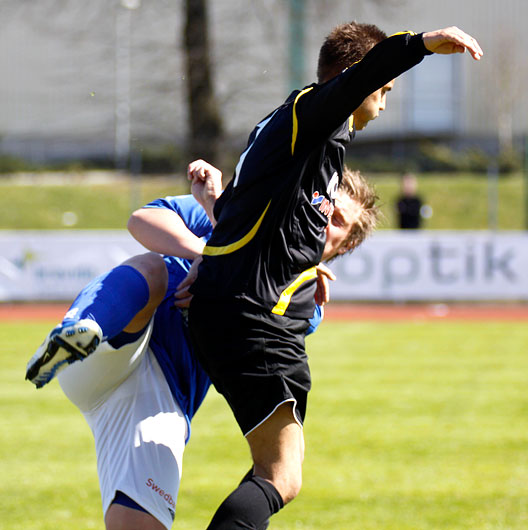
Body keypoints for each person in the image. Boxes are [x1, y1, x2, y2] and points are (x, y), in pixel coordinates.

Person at [186, 23, 483, 529]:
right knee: (280, 475)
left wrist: (221, 208)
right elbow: (359, 78)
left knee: (278, 472)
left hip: (242, 308)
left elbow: (248, 217)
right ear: (355, 79)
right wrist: (424, 44)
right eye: (383, 91)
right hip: (257, 317)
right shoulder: (313, 113)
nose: (383, 105)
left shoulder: (295, 130)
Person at [25, 160, 373, 529]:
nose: (322, 222)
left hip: (162, 404)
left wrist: (219, 277)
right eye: (321, 208)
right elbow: (141, 222)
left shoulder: (304, 306)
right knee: (153, 270)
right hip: (118, 344)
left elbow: (243, 318)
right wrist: (206, 253)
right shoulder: (240, 212)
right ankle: (81, 328)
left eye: (337, 221)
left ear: (346, 244)